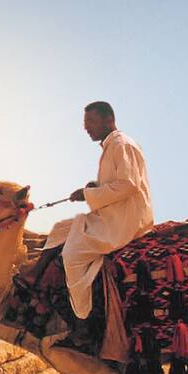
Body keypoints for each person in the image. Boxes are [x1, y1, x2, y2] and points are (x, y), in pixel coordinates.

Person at [42, 101, 154, 319]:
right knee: (59, 229)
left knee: (72, 256)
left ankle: (82, 315)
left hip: (124, 220)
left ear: (108, 120)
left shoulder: (122, 144)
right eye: (85, 123)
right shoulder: (112, 146)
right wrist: (92, 188)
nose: (86, 127)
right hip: (113, 213)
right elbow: (117, 183)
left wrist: (88, 194)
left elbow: (129, 185)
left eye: (90, 121)